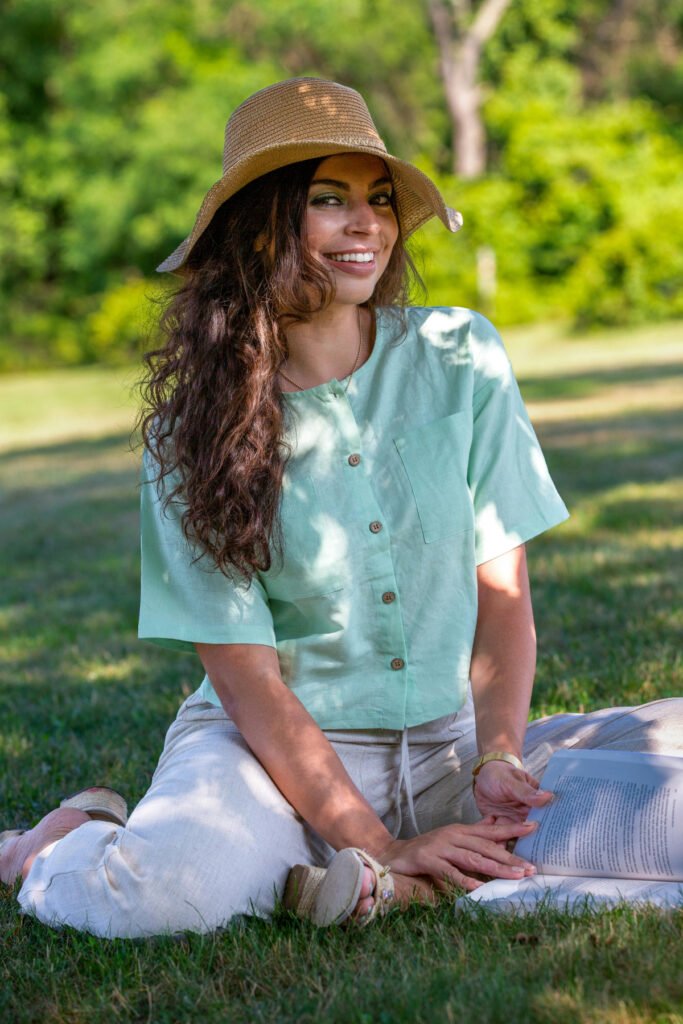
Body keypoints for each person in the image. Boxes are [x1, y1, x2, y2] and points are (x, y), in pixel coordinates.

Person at [1, 78, 681, 936]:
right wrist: (377, 837)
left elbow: (503, 596)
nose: (368, 224)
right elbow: (247, 682)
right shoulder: (190, 433)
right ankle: (53, 845)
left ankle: (359, 879)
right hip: (263, 760)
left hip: (447, 750)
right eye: (329, 201)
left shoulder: (459, 355)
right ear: (260, 225)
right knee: (165, 902)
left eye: (380, 200)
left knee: (664, 823)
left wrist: (500, 753)